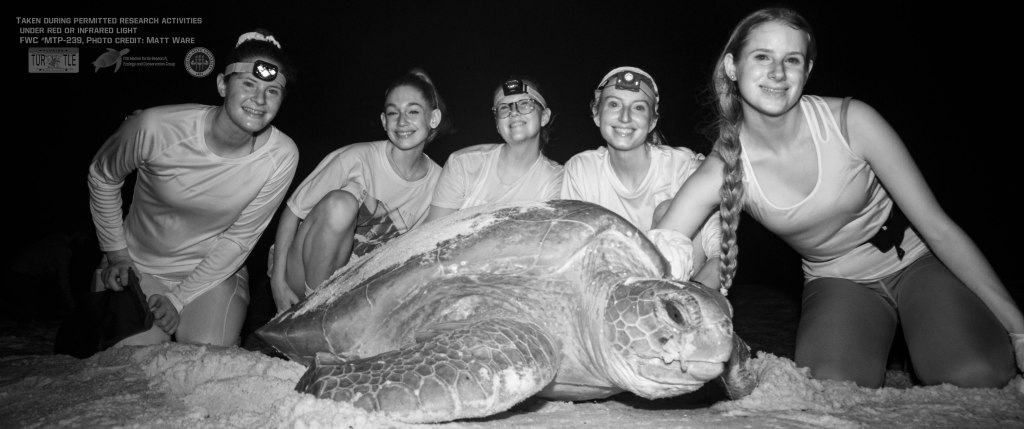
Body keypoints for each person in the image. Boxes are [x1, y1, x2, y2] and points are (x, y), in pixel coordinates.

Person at [655, 7, 1023, 387]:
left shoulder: (852, 121)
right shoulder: (723, 166)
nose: (777, 73)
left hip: (915, 261)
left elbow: (938, 228)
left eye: (792, 60)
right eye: (762, 56)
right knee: (833, 389)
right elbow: (659, 251)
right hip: (836, 280)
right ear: (733, 67)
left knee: (974, 375)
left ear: (807, 71)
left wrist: (1018, 329)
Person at [88, 29, 299, 347]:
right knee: (132, 360)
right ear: (222, 85)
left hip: (211, 274)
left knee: (206, 355)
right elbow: (102, 176)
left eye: (273, 91)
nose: (259, 99)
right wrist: (116, 254)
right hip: (137, 263)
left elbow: (240, 238)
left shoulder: (282, 155)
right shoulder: (155, 127)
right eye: (249, 84)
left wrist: (178, 298)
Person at [270, 69, 447, 313]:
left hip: (357, 288)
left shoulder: (441, 183)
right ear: (384, 121)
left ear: (433, 118)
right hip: (302, 275)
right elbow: (292, 212)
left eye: (413, 111)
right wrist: (277, 283)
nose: (402, 121)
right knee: (341, 205)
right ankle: (312, 312)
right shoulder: (355, 158)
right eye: (393, 113)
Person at [561, 66, 721, 288]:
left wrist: (693, 299)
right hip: (613, 287)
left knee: (667, 209)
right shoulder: (581, 169)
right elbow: (572, 252)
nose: (625, 117)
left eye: (638, 107)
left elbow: (719, 253)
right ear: (597, 114)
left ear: (652, 121)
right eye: (614, 104)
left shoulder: (683, 166)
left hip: (684, 288)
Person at [424, 76, 562, 223]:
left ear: (544, 117)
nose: (514, 112)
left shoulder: (557, 180)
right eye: (504, 108)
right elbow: (431, 233)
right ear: (497, 125)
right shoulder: (463, 164)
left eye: (524, 104)